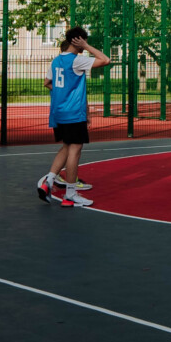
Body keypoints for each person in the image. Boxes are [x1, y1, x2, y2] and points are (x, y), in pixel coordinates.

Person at [37, 27, 110, 208]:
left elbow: (47, 83)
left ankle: (49, 181)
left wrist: (63, 92)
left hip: (59, 112)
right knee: (75, 151)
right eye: (82, 42)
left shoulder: (56, 61)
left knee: (66, 146)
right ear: (78, 41)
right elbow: (106, 60)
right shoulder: (77, 60)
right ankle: (70, 194)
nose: (84, 47)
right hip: (73, 113)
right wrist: (87, 45)